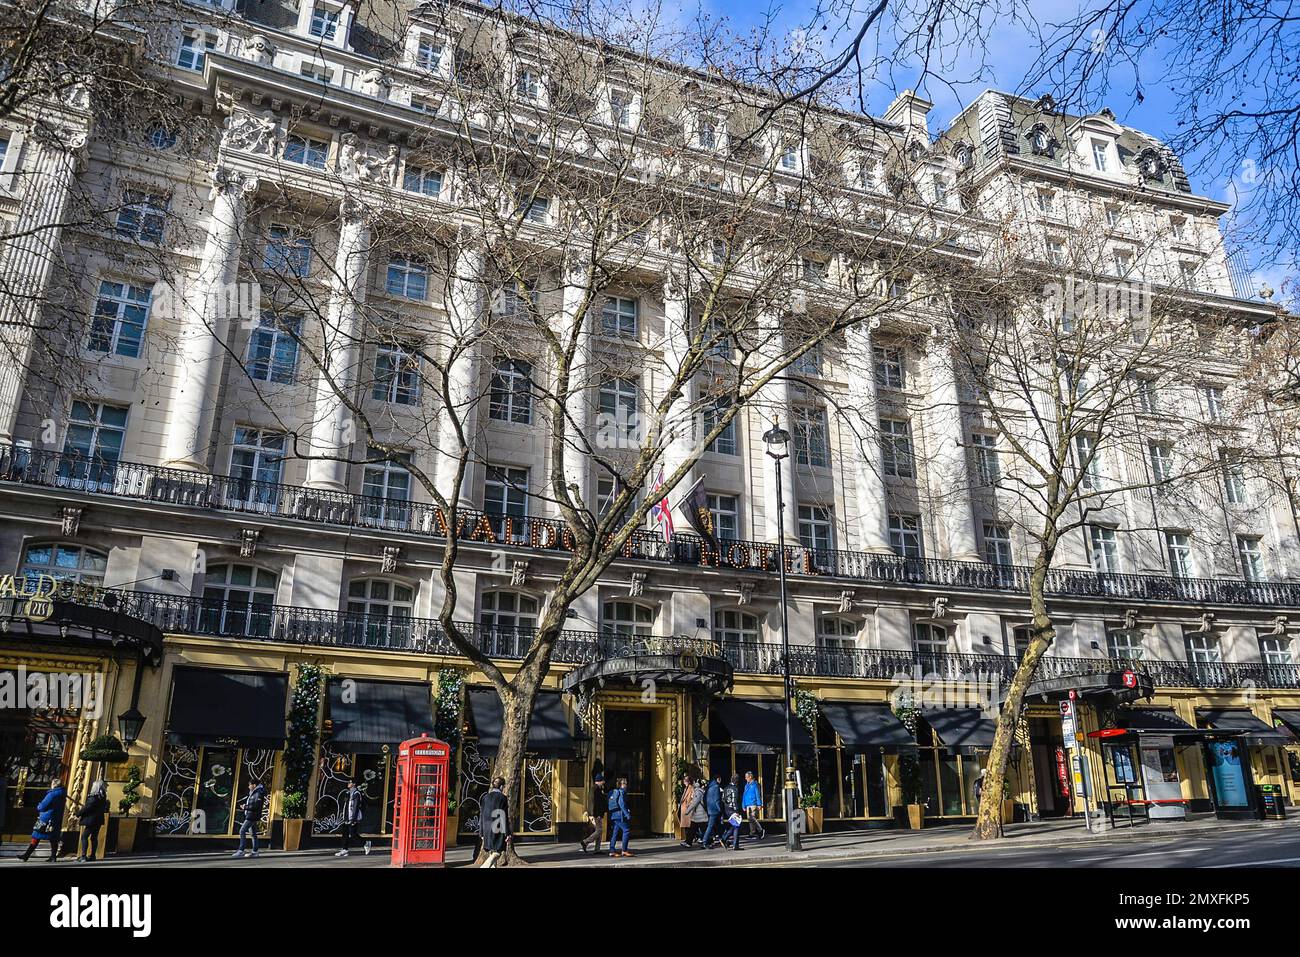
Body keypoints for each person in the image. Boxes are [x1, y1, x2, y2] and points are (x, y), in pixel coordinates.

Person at [19, 778, 66, 862]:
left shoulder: (52, 794)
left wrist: (39, 805)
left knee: (36, 836)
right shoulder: (62, 793)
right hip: (56, 819)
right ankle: (53, 857)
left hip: (46, 819)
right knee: (53, 838)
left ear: (54, 785)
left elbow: (42, 806)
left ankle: (26, 855)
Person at [479, 776, 511, 868]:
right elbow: (503, 816)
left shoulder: (485, 797)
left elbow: (481, 814)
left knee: (492, 851)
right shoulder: (502, 798)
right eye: (503, 786)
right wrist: (507, 833)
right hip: (497, 827)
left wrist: (481, 832)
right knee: (497, 852)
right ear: (501, 787)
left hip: (486, 827)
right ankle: (484, 866)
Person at [232, 777, 267, 858]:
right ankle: (255, 852)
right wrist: (246, 807)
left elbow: (256, 806)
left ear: (254, 785)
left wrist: (245, 807)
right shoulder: (255, 792)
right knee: (253, 834)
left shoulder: (258, 793)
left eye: (250, 785)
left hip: (252, 816)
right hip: (252, 815)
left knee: (242, 831)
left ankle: (241, 850)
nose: (248, 786)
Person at [75, 780, 109, 862]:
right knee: (94, 837)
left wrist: (78, 814)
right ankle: (93, 855)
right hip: (99, 819)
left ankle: (83, 855)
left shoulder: (93, 797)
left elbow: (87, 807)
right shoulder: (102, 797)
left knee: (84, 836)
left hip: (91, 819)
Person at [335, 779, 368, 858]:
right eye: (348, 782)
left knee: (353, 834)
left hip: (353, 817)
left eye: (350, 782)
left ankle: (365, 843)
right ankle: (345, 850)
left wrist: (353, 819)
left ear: (354, 784)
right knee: (345, 833)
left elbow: (356, 807)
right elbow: (346, 805)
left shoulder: (357, 794)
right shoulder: (347, 793)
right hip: (346, 817)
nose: (348, 783)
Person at [579, 772, 606, 853]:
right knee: (599, 830)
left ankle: (597, 849)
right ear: (599, 781)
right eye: (602, 781)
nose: (603, 782)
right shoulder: (595, 790)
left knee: (599, 831)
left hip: (596, 813)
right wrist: (596, 814)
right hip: (595, 814)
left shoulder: (595, 789)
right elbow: (594, 803)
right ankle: (585, 842)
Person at [607, 776, 632, 857]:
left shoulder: (614, 792)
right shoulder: (621, 792)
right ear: (621, 784)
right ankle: (624, 850)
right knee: (626, 830)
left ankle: (612, 851)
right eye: (625, 784)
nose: (626, 785)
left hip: (613, 815)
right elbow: (621, 804)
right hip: (619, 815)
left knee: (615, 832)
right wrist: (627, 814)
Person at [680, 775, 709, 848]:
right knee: (694, 829)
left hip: (699, 814)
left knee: (701, 829)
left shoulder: (698, 792)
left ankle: (708, 841)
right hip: (698, 814)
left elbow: (694, 802)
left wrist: (688, 810)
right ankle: (689, 842)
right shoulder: (700, 791)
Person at [701, 773, 723, 849]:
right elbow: (717, 800)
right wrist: (720, 809)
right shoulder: (716, 787)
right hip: (715, 810)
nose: (720, 781)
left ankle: (721, 839)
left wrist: (706, 807)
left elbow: (704, 798)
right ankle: (705, 841)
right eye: (720, 779)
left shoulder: (709, 787)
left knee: (715, 826)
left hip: (709, 809)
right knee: (711, 826)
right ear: (717, 779)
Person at [721, 774, 743, 851]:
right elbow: (734, 800)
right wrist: (736, 811)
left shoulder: (726, 788)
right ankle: (734, 845)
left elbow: (723, 799)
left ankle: (725, 839)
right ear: (736, 781)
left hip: (727, 809)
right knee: (736, 826)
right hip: (733, 809)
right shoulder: (735, 789)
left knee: (735, 825)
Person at [742, 770, 765, 840]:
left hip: (753, 804)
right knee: (750, 819)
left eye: (747, 777)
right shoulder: (746, 785)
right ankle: (752, 833)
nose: (746, 778)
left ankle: (761, 830)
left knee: (753, 818)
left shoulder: (755, 784)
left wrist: (759, 804)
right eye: (745, 777)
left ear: (750, 777)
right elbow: (744, 796)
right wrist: (743, 805)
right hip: (748, 804)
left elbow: (758, 795)